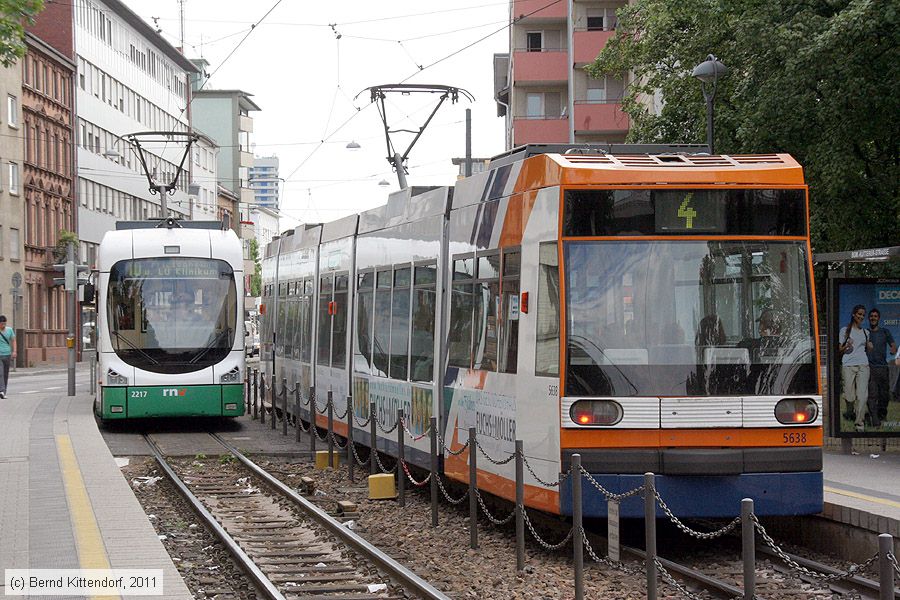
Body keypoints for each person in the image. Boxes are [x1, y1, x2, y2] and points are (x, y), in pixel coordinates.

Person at [838, 304, 873, 432]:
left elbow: (867, 349)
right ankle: (850, 410)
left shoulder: (866, 332)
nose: (861, 317)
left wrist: (869, 347)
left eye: (863, 315)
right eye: (859, 314)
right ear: (854, 314)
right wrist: (847, 346)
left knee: (862, 396)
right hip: (848, 365)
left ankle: (860, 424)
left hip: (863, 365)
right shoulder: (844, 331)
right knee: (849, 396)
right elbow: (839, 350)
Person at [865, 307, 896, 428]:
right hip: (870, 368)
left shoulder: (885, 332)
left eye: (875, 316)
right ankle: (875, 420)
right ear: (869, 318)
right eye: (871, 316)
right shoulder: (865, 332)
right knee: (872, 395)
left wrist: (893, 350)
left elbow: (893, 346)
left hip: (883, 368)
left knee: (884, 396)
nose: (873, 318)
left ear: (879, 319)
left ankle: (882, 415)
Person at [0, 315, 17, 399]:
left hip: (7, 354)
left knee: (5, 374)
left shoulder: (9, 330)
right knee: (0, 373)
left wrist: (14, 351)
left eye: (4, 324)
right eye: (2, 324)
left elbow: (13, 340)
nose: (3, 325)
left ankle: (4, 392)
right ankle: (2, 390)